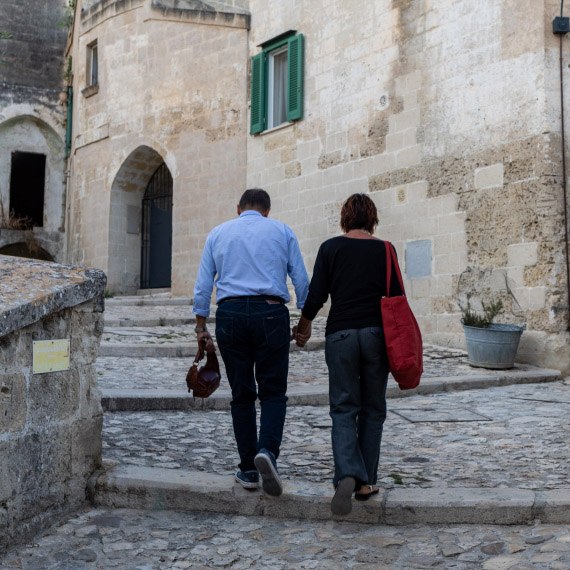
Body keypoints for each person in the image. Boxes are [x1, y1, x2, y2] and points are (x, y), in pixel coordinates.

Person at [193, 188, 309, 497]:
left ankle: (247, 468)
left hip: (230, 315)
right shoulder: (282, 230)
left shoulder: (218, 233)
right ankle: (267, 452)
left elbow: (204, 284)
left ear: (238, 208)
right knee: (273, 392)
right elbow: (301, 279)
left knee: (242, 394)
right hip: (270, 312)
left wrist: (200, 326)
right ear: (267, 211)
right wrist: (304, 321)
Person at [293, 193, 402, 515]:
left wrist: (304, 323)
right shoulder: (385, 249)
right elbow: (396, 295)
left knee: (343, 407)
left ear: (344, 218)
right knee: (373, 408)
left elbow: (317, 293)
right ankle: (366, 482)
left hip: (340, 334)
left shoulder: (330, 248)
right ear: (372, 218)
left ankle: (346, 473)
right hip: (375, 334)